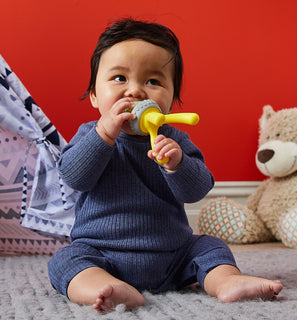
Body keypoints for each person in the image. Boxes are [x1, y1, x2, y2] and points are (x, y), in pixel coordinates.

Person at [48, 18, 283, 313]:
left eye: (153, 81)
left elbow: (197, 189)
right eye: (119, 78)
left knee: (210, 246)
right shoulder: (89, 135)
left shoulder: (175, 140)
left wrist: (177, 165)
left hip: (173, 256)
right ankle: (103, 286)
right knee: (64, 260)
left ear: (171, 103)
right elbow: (73, 176)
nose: (135, 91)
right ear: (95, 96)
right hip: (102, 254)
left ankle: (226, 282)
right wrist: (104, 134)